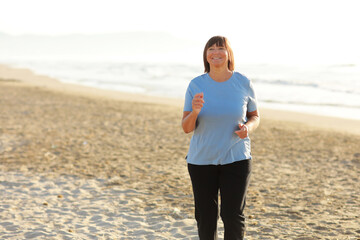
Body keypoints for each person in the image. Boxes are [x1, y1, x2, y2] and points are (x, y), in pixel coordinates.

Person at [182, 36, 260, 240]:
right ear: (206, 55)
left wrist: (248, 128)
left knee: (233, 216)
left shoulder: (243, 82)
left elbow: (255, 116)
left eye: (220, 48)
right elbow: (186, 127)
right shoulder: (196, 84)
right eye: (211, 49)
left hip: (236, 158)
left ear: (229, 54)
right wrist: (196, 111)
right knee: (206, 217)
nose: (215, 52)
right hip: (201, 160)